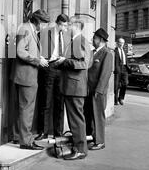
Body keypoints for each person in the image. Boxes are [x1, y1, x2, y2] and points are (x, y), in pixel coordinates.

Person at [12, 10, 50, 150]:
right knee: (27, 109)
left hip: (26, 76)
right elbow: (20, 52)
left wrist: (39, 58)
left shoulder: (28, 29)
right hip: (26, 77)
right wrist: (37, 60)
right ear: (39, 22)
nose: (45, 27)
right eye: (45, 24)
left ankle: (18, 137)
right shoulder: (25, 28)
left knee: (22, 108)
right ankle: (26, 141)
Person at [56, 17, 91, 160]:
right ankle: (78, 147)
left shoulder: (81, 40)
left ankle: (81, 150)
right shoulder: (75, 41)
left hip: (75, 87)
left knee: (76, 119)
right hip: (71, 86)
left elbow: (84, 64)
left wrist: (65, 61)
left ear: (75, 26)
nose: (67, 27)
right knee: (74, 119)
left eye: (69, 24)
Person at [35, 14, 69, 141]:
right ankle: (43, 131)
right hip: (49, 67)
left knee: (59, 102)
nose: (65, 27)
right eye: (64, 25)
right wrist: (39, 57)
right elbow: (36, 46)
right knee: (46, 100)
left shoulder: (66, 35)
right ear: (58, 23)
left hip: (61, 69)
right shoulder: (45, 32)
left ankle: (58, 131)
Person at [86, 28, 113, 151]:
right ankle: (92, 138)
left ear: (101, 40)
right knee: (90, 114)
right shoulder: (93, 53)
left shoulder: (107, 54)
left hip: (98, 91)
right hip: (89, 90)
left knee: (98, 116)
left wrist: (99, 90)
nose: (93, 40)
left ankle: (100, 141)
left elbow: (105, 74)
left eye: (95, 38)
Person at [114, 38, 131, 106]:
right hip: (118, 69)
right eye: (120, 42)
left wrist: (128, 67)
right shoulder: (114, 51)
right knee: (116, 86)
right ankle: (115, 100)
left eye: (123, 43)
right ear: (117, 43)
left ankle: (121, 98)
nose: (121, 44)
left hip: (124, 68)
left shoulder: (124, 51)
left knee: (125, 83)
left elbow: (126, 60)